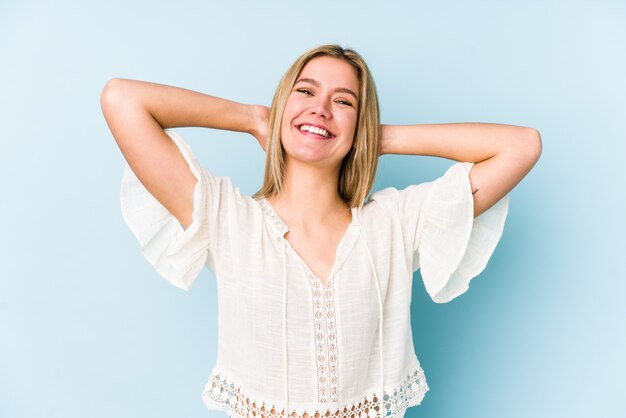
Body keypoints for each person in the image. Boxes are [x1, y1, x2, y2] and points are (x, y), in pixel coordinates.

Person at [100, 44, 541, 418]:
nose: (321, 108)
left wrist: (375, 136)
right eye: (306, 91)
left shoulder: (395, 224)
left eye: (344, 101)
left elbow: (521, 145)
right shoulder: (228, 219)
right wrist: (253, 117)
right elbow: (122, 99)